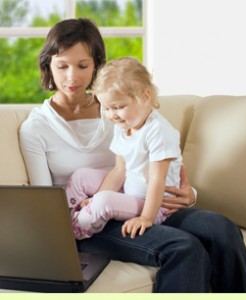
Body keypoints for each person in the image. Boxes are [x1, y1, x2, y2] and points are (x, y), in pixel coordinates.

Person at [19, 18, 246, 292]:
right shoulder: (36, 127)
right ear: (48, 65)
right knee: (183, 248)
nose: (72, 77)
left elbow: (152, 160)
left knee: (222, 229)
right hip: (91, 221)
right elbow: (44, 202)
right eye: (62, 66)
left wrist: (188, 194)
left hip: (144, 199)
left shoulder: (119, 107)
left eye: (83, 65)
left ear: (96, 65)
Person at [66, 56, 183, 240]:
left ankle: (74, 233)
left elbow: (157, 180)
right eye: (106, 108)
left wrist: (146, 217)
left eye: (118, 107)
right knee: (81, 176)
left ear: (145, 97)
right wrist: (97, 196)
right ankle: (68, 216)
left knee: (104, 201)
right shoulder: (124, 126)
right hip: (129, 191)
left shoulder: (158, 131)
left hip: (155, 205)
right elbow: (119, 170)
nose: (112, 115)